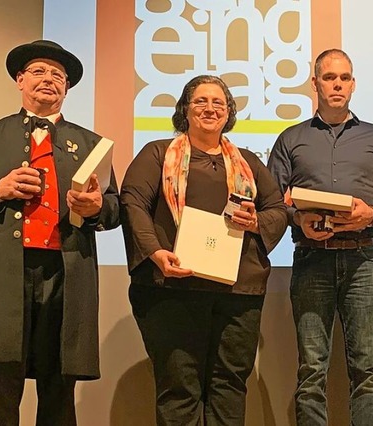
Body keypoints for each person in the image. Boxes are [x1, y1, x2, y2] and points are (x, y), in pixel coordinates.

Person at [0, 40, 120, 426]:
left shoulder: (90, 143)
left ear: (67, 90)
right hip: (7, 274)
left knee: (60, 385)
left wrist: (95, 209)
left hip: (66, 272)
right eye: (39, 72)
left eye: (58, 76)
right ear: (20, 80)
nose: (49, 80)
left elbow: (114, 207)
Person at [120, 74, 287, 425]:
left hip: (237, 293)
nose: (210, 108)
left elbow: (277, 210)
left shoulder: (248, 162)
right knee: (179, 389)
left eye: (218, 103)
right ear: (185, 109)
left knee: (229, 386)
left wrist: (256, 222)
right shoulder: (158, 154)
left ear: (229, 112)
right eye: (200, 101)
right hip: (172, 288)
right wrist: (153, 251)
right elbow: (133, 202)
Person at [267, 49, 373, 425]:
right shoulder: (290, 139)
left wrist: (371, 214)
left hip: (363, 259)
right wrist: (299, 217)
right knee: (311, 371)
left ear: (354, 84)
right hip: (311, 258)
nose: (337, 84)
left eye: (344, 77)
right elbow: (272, 203)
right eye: (329, 77)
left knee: (367, 369)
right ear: (315, 83)